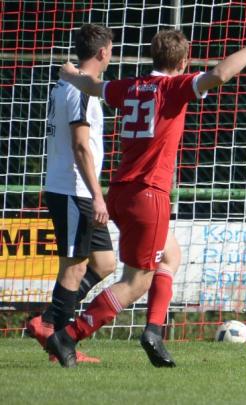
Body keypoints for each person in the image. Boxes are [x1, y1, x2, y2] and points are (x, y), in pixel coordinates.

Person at [46, 24, 246, 368]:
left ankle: (154, 331)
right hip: (149, 193)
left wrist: (69, 72)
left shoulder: (128, 86)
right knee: (135, 281)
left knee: (170, 255)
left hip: (120, 191)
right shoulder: (173, 88)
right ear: (184, 61)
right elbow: (221, 73)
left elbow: (92, 85)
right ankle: (69, 336)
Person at [24, 24, 117, 364]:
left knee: (105, 264)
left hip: (74, 189)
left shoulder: (69, 83)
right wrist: (98, 195)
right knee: (74, 267)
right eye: (111, 50)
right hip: (74, 189)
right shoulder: (79, 91)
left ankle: (49, 322)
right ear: (103, 52)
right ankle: (59, 341)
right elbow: (80, 146)